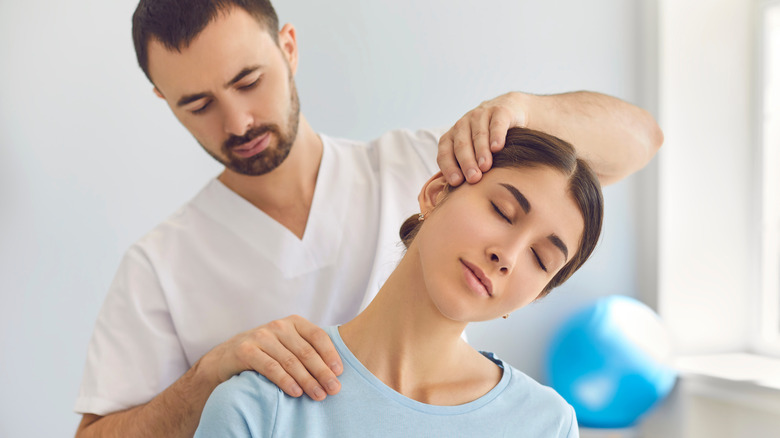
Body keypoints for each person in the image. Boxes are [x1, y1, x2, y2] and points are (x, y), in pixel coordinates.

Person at [74, 1, 663, 437]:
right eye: (197, 104)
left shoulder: (428, 163)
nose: (238, 122)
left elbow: (635, 143)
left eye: (248, 81)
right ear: (162, 99)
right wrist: (211, 377)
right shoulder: (161, 268)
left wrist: (523, 109)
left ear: (289, 47)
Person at [194, 127, 601, 437]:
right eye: (502, 210)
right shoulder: (261, 406)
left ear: (537, 294)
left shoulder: (546, 424)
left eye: (540, 259)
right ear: (437, 192)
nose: (507, 256)